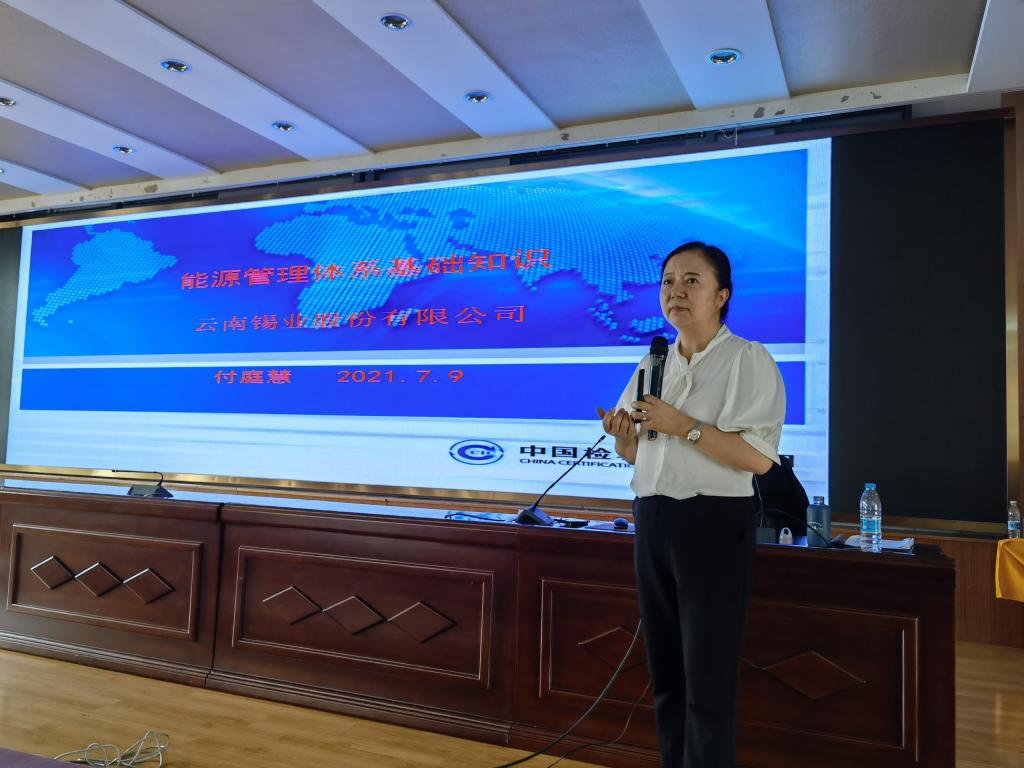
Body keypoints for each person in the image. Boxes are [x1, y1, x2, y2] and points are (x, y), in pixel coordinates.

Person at [597, 241, 785, 768]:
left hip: (713, 524)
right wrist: (623, 436)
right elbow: (638, 451)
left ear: (722, 295)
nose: (675, 291)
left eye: (691, 281)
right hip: (653, 517)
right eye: (668, 281)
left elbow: (758, 459)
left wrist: (685, 426)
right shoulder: (652, 361)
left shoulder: (746, 358)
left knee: (707, 680)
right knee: (667, 675)